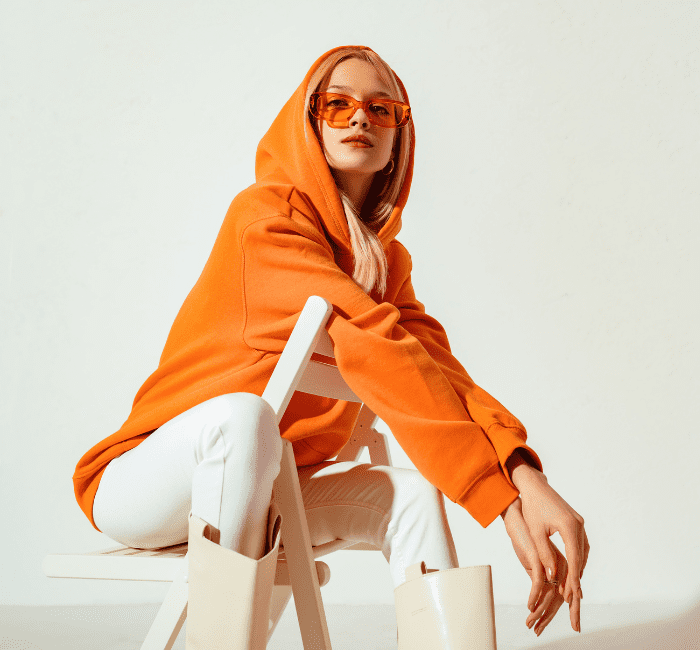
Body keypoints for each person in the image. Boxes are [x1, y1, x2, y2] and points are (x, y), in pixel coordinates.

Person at [72, 45, 589, 640]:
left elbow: (441, 376)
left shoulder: (384, 265)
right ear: (308, 123)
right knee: (244, 418)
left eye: (380, 108)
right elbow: (379, 346)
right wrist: (497, 502)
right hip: (145, 486)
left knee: (413, 491)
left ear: (401, 133)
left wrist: (525, 479)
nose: (359, 118)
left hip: (266, 495)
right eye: (336, 104)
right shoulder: (264, 221)